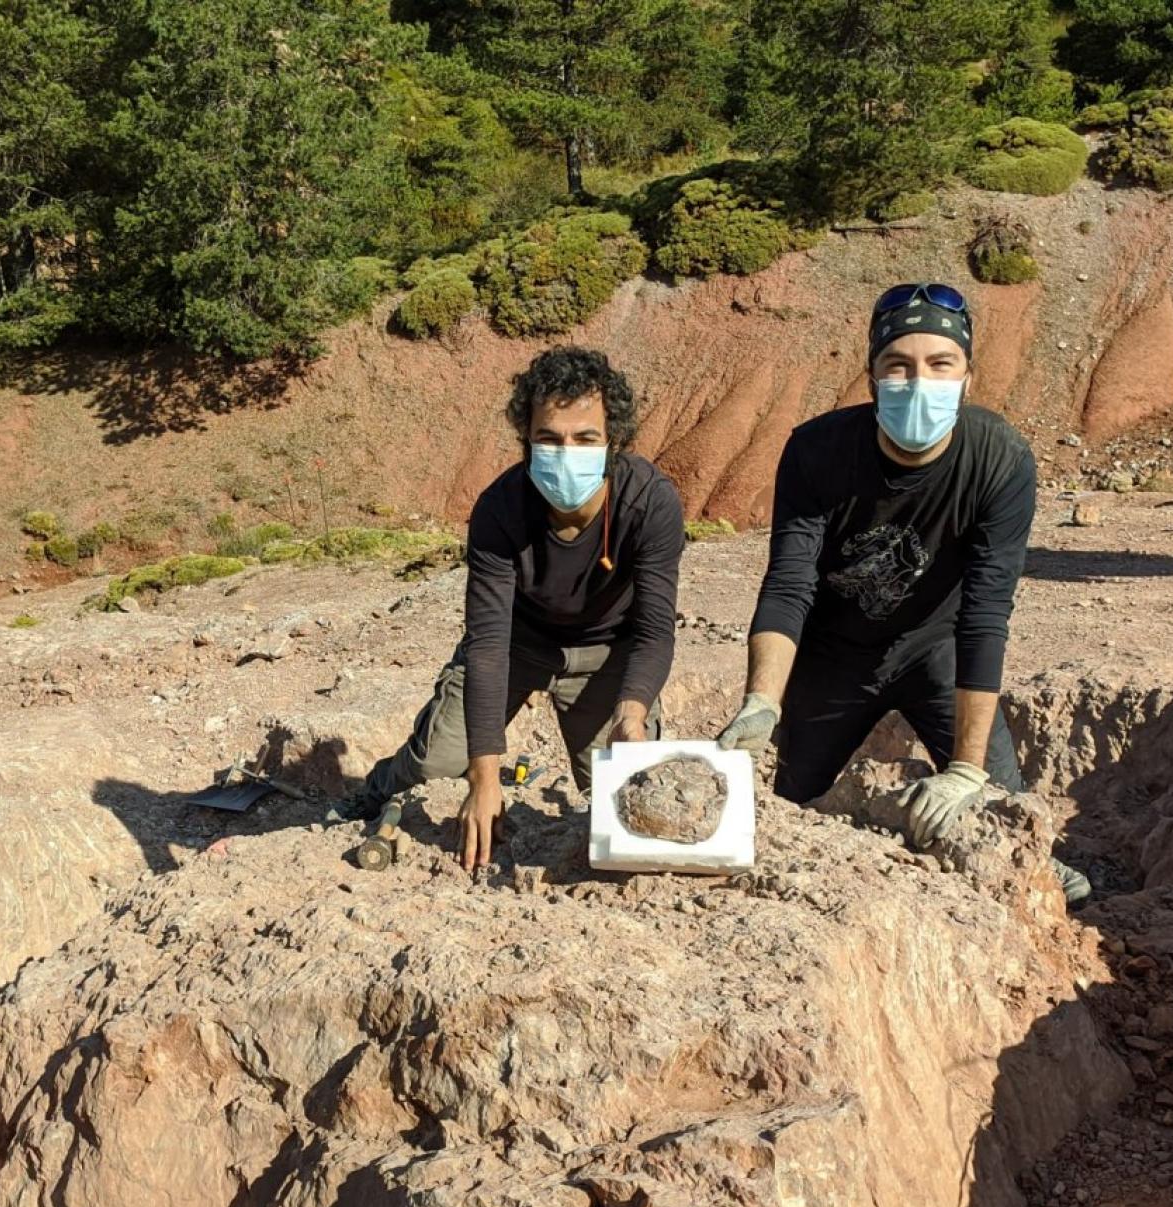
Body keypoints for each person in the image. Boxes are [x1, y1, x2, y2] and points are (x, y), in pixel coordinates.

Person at [715, 281, 1089, 903]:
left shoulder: (999, 459)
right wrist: (763, 700)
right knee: (787, 814)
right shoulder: (817, 451)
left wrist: (967, 770)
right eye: (899, 365)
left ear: (968, 378)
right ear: (871, 377)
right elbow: (789, 584)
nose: (919, 382)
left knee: (1002, 817)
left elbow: (986, 613)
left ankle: (1040, 879)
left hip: (937, 650)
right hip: (834, 656)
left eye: (941, 364)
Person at [355, 347, 686, 869]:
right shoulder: (500, 508)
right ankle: (377, 786)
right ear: (527, 440)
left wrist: (632, 712)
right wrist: (484, 779)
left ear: (613, 442)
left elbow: (654, 629)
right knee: (436, 764)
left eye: (585, 438)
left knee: (621, 796)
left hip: (606, 653)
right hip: (516, 643)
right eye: (549, 438)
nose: (566, 451)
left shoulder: (650, 502)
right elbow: (487, 645)